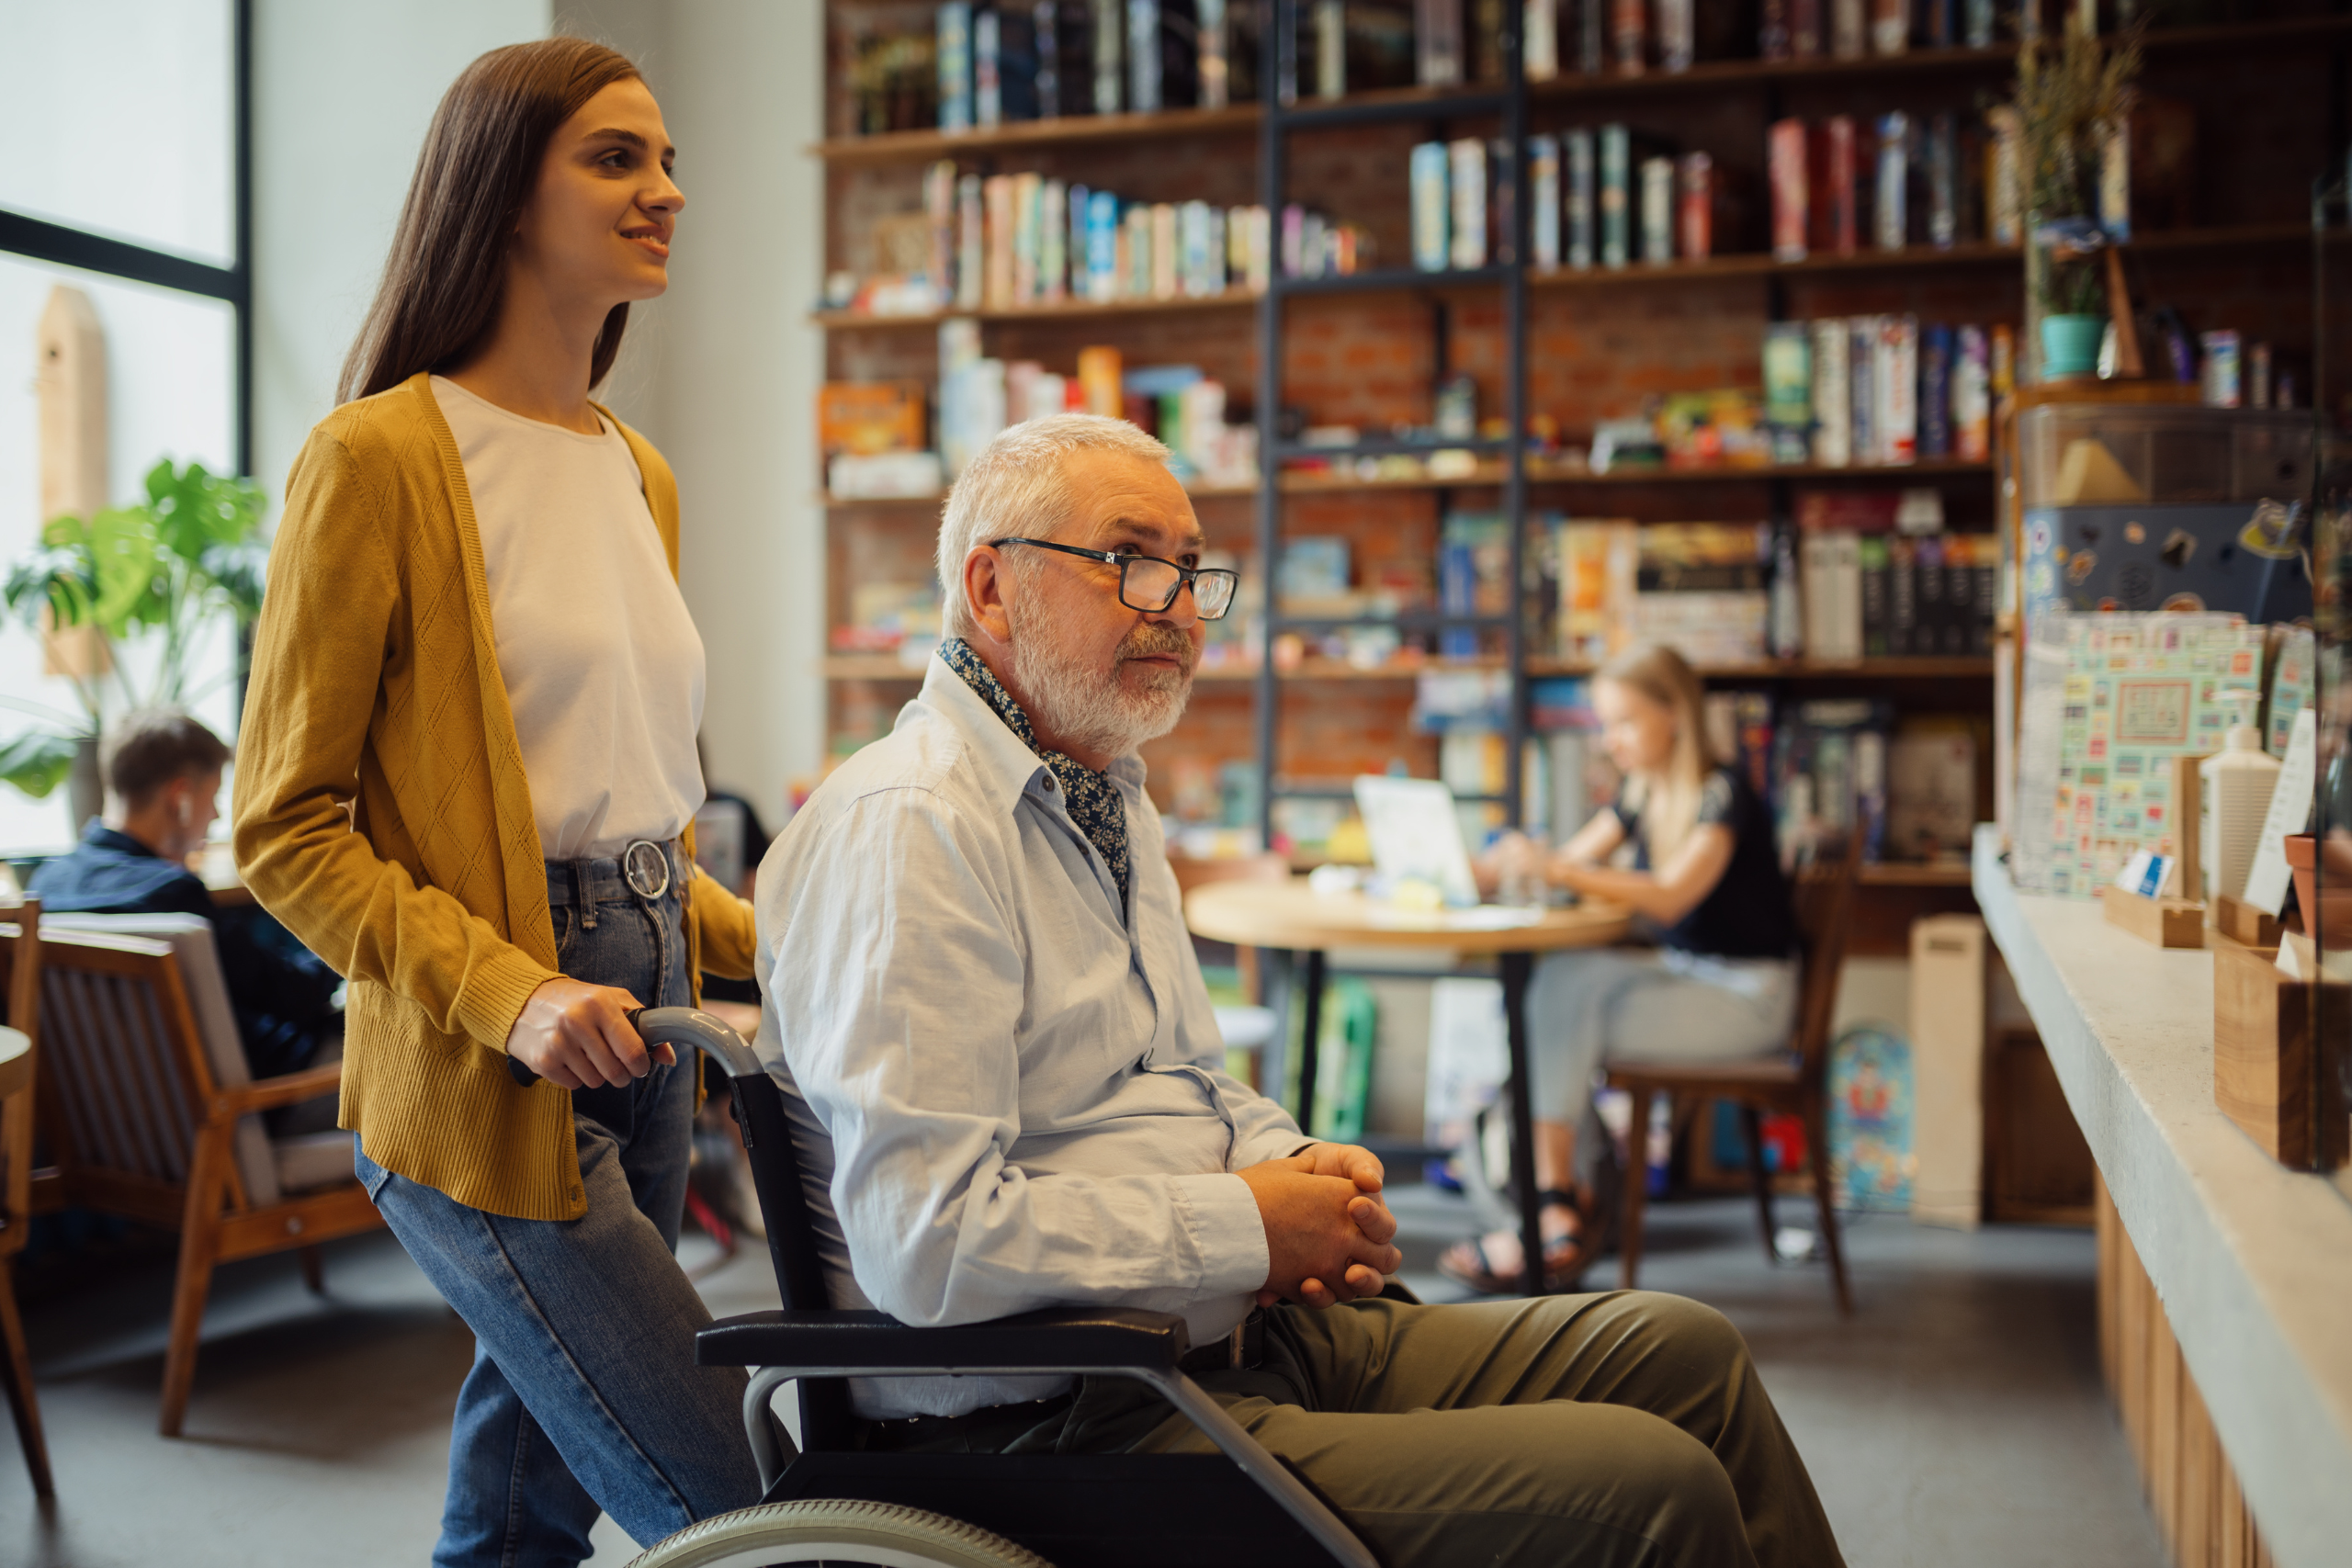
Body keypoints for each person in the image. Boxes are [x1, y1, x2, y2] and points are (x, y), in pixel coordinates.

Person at [755, 416, 1845, 1568]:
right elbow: (923, 1245)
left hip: (1242, 1338)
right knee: (1651, 1488)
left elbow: (1188, 1081)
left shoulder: (1106, 796)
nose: (1177, 603)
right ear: (991, 585)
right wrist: (1250, 1224)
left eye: (1190, 569)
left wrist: (1298, 1167)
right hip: (1070, 1420)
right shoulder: (912, 829)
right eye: (1133, 559)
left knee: (1686, 1353)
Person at [230, 39, 761, 1567]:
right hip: (486, 1050)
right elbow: (284, 825)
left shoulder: (638, 473)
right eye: (616, 158)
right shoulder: (377, 458)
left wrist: (784, 940)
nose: (664, 192)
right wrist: (517, 994)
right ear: (500, 193)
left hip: (655, 1013)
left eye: (667, 161)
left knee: (531, 1494)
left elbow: (636, 813)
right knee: (738, 1496)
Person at [1442, 642, 1800, 1295]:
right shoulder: (1643, 791)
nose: (1611, 740)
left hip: (1750, 1001)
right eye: (1605, 724)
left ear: (1676, 714)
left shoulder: (1724, 794)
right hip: (1690, 975)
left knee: (1562, 1006)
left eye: (1625, 721)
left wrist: (1561, 868)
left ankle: (1549, 1208)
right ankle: (1555, 1203)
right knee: (1564, 985)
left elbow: (1669, 893)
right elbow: (1574, 859)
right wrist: (1485, 868)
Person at [30, 708, 341, 1082]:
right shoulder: (171, 896)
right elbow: (298, 997)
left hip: (119, 1119)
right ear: (181, 797)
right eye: (213, 797)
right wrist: (340, 942)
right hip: (250, 1106)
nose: (213, 815)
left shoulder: (45, 884)